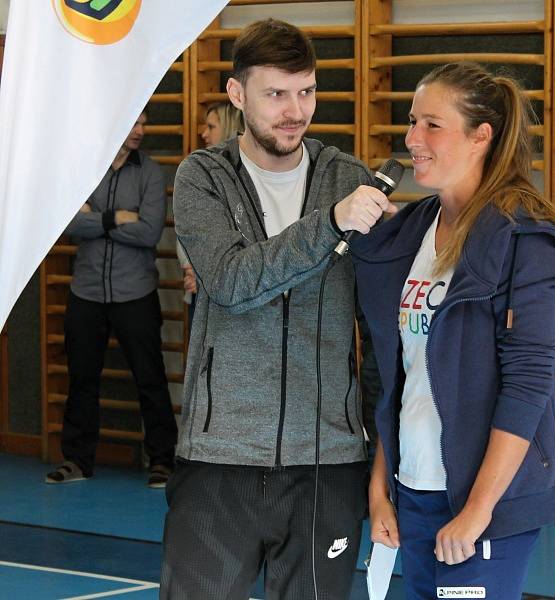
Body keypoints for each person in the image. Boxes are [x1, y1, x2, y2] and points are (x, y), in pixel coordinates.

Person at [350, 62, 555, 599]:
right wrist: (381, 487)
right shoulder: (411, 233)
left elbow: (529, 384)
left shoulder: (526, 241)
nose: (412, 138)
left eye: (431, 125)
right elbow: (399, 374)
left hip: (486, 503)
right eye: (413, 122)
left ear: (480, 136)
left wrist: (478, 510)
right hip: (412, 490)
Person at [160, 18, 392, 599]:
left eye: (307, 91)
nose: (295, 110)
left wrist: (372, 449)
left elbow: (380, 329)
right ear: (238, 95)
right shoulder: (203, 177)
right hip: (220, 459)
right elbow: (233, 283)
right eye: (276, 94)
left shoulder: (348, 176)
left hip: (327, 464)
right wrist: (331, 224)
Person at [46, 112, 178, 489]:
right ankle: (76, 460)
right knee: (81, 379)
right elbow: (68, 223)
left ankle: (162, 462)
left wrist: (96, 221)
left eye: (144, 123)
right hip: (85, 292)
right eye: (133, 123)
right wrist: (117, 218)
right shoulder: (84, 169)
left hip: (135, 293)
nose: (140, 131)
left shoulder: (150, 173)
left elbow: (150, 231)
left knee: (150, 380)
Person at [177, 102, 244, 331]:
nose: (204, 134)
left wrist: (204, 273)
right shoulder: (197, 172)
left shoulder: (244, 177)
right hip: (199, 288)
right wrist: (192, 269)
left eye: (211, 127)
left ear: (228, 127)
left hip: (234, 291)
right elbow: (187, 230)